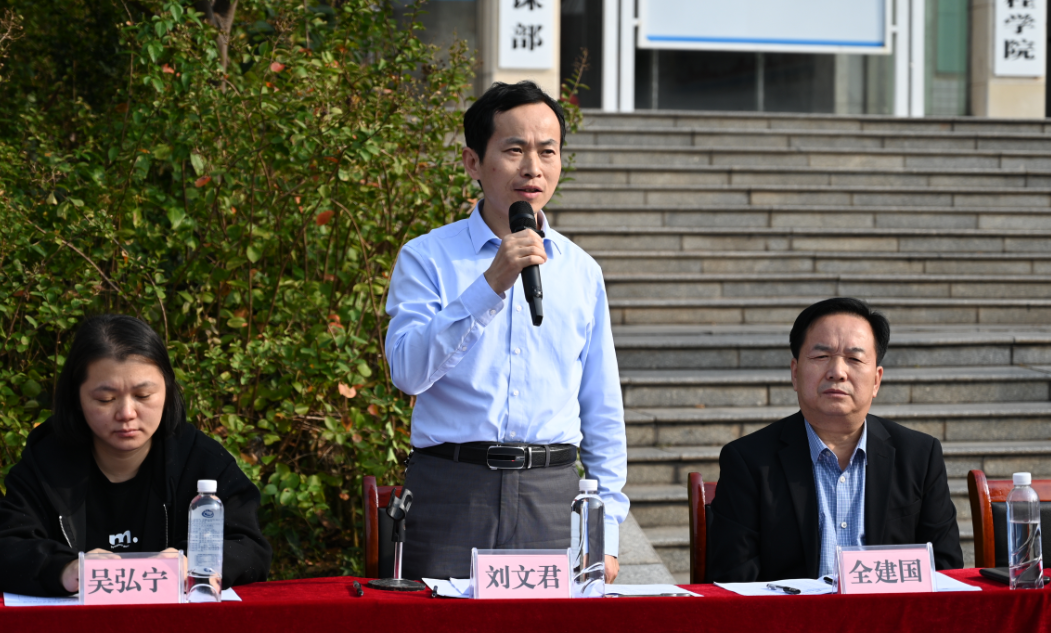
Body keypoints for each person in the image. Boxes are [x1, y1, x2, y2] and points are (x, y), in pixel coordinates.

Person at [385, 81, 627, 581]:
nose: (532, 168)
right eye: (514, 150)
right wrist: (489, 284)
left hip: (552, 495)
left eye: (547, 151)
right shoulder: (427, 257)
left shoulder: (581, 271)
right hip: (452, 490)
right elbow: (407, 372)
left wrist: (606, 528)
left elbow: (602, 408)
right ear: (474, 162)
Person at [0, 314, 271, 596]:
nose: (126, 413)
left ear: (167, 391)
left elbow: (250, 547)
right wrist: (64, 569)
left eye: (143, 396)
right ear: (76, 398)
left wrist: (194, 564)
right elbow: (8, 544)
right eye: (105, 399)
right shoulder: (46, 463)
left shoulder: (202, 461)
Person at [706, 297, 963, 582]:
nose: (837, 372)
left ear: (876, 380)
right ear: (795, 373)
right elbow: (734, 579)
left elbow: (946, 570)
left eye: (854, 359)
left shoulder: (919, 456)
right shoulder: (748, 461)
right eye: (821, 357)